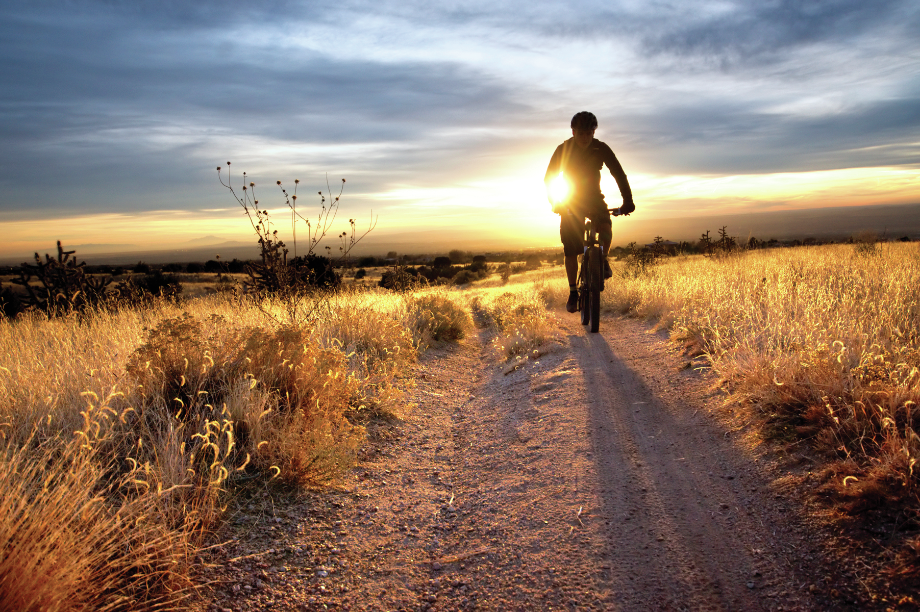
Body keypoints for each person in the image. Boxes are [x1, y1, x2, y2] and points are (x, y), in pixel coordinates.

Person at [544, 111, 635, 313]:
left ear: (594, 132)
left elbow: (618, 173)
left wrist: (628, 200)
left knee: (606, 227)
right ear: (573, 132)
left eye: (590, 133)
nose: (586, 138)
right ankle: (573, 291)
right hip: (570, 201)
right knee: (570, 248)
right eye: (582, 133)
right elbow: (549, 177)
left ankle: (601, 260)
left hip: (594, 199)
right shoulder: (563, 149)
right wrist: (555, 202)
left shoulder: (600, 148)